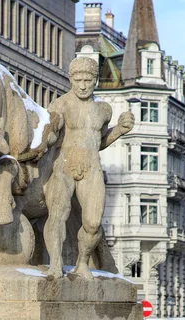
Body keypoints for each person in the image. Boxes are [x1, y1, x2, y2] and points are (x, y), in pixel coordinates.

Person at [44, 57, 135, 279]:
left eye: (88, 80)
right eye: (78, 80)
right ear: (70, 79)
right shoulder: (59, 105)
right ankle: (55, 263)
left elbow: (100, 142)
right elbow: (50, 141)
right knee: (57, 215)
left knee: (93, 223)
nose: (83, 85)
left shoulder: (103, 109)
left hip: (92, 167)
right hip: (64, 166)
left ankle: (82, 264)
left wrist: (119, 131)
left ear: (95, 80)